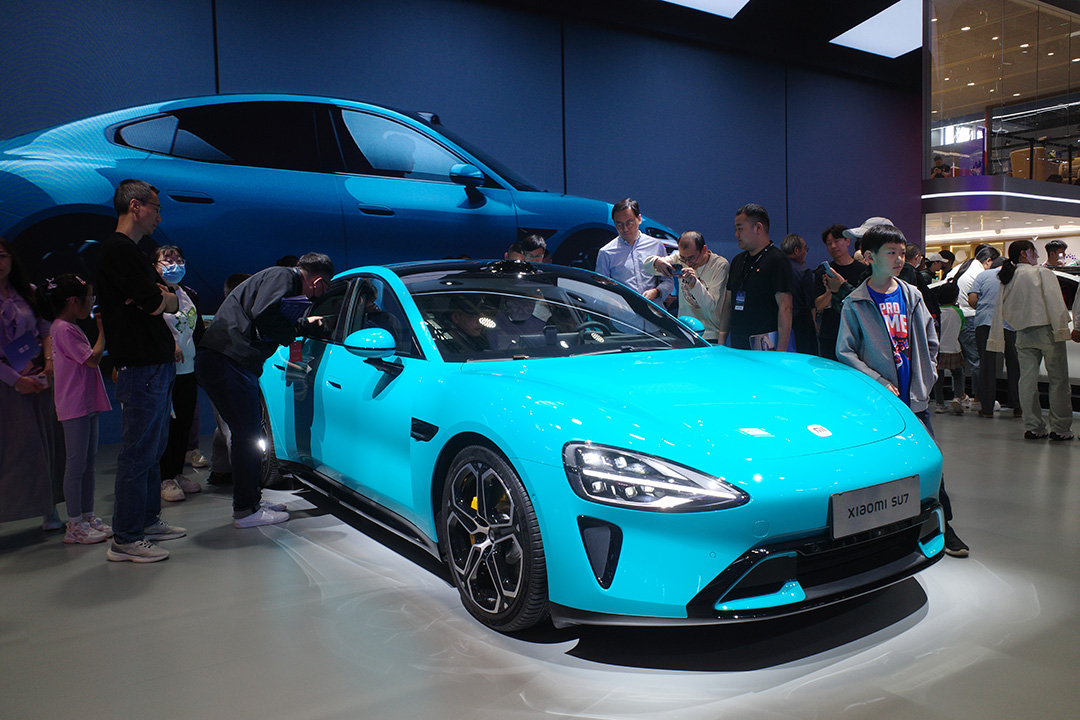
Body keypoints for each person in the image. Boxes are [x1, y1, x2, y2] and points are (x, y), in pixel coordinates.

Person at [835, 223, 968, 557]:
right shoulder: (856, 302)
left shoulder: (911, 294)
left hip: (916, 398)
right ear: (869, 258)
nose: (899, 259)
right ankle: (878, 532)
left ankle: (944, 525)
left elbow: (930, 338)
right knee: (878, 466)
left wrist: (928, 374)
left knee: (930, 462)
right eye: (890, 253)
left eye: (901, 252)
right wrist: (878, 383)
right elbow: (845, 352)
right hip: (879, 403)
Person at [195, 252, 335, 528]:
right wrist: (298, 327)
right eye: (326, 287)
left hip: (227, 361)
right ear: (318, 282)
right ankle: (246, 510)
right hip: (228, 360)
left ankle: (251, 500)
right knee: (248, 436)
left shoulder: (278, 278)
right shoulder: (284, 276)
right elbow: (264, 313)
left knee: (248, 433)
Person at [97, 179, 185, 563]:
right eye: (156, 208)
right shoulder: (120, 251)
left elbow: (154, 299)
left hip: (153, 362)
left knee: (151, 448)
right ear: (136, 206)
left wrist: (157, 298)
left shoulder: (131, 252)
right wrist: (160, 298)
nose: (159, 217)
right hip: (141, 364)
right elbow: (157, 301)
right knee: (138, 453)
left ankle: (146, 521)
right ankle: (126, 537)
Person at [0, 237, 64, 531]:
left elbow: (45, 328)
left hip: (39, 378)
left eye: (2, 255)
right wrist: (15, 380)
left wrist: (49, 363)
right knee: (13, 449)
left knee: (46, 442)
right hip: (7, 385)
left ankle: (48, 507)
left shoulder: (28, 293)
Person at [47, 274, 113, 544]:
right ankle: (74, 524)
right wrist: (103, 331)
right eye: (89, 299)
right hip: (74, 405)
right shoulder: (63, 328)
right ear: (74, 301)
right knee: (76, 465)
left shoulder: (68, 327)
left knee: (87, 464)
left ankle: (87, 516)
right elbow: (92, 359)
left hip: (85, 403)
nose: (91, 304)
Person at [988, 240, 1072, 441]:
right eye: (1034, 252)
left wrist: (996, 338)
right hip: (1048, 331)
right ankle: (1060, 427)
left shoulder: (1008, 277)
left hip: (1022, 333)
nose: (1037, 255)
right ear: (1025, 253)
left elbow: (1000, 310)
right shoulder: (1042, 273)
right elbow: (1055, 303)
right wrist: (1062, 329)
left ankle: (1033, 426)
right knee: (1058, 381)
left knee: (1026, 381)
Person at [153, 245, 205, 502]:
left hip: (189, 368)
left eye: (178, 259)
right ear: (156, 265)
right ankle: (165, 478)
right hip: (164, 368)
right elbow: (150, 326)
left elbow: (197, 329)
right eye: (167, 259)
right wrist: (167, 345)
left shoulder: (189, 295)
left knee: (184, 422)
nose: (174, 264)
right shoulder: (153, 294)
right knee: (167, 425)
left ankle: (177, 472)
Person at [719, 204, 793, 351]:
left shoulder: (777, 261)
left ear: (758, 228)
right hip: (737, 344)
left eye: (740, 229)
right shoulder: (737, 261)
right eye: (736, 229)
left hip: (764, 345)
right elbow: (727, 303)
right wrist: (721, 341)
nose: (736, 234)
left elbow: (785, 308)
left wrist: (781, 353)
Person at [207, 272, 251, 487]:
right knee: (237, 430)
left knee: (224, 423)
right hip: (227, 373)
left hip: (215, 373)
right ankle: (248, 490)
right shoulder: (235, 319)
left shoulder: (225, 316)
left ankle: (221, 470)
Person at [645, 231, 729, 342]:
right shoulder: (679, 259)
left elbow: (711, 305)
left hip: (709, 334)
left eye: (692, 258)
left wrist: (694, 283)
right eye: (683, 258)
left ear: (704, 250)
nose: (688, 263)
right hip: (684, 331)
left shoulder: (720, 265)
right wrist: (656, 262)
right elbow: (647, 267)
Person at [946, 244, 1001, 410]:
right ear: (989, 260)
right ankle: (979, 399)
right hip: (970, 318)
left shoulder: (961, 268)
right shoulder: (981, 273)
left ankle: (961, 395)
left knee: (960, 361)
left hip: (956, 317)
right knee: (977, 360)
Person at [969, 257, 1020, 418]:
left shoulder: (983, 275)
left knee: (987, 366)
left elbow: (972, 300)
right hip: (1010, 324)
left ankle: (987, 408)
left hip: (985, 323)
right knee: (1014, 364)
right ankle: (1018, 406)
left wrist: (986, 306)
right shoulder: (1015, 276)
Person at [595, 198, 673, 302]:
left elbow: (668, 281)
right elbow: (599, 289)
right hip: (623, 314)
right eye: (619, 224)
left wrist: (656, 292)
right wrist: (611, 301)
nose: (625, 229)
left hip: (653, 311)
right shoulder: (606, 252)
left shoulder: (656, 245)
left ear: (639, 219)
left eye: (629, 223)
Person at [814, 224, 867, 360]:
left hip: (856, 331)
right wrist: (832, 290)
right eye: (829, 243)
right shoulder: (823, 271)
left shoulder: (862, 270)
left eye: (837, 241)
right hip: (831, 332)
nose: (833, 246)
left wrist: (843, 286)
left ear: (847, 241)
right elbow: (819, 306)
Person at [932, 282, 968, 415]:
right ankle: (958, 397)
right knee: (958, 374)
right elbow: (961, 326)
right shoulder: (958, 312)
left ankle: (939, 404)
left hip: (939, 350)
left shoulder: (936, 313)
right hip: (954, 348)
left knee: (939, 377)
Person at [779, 233, 817, 354]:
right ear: (797, 250)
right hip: (802, 324)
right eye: (805, 248)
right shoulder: (804, 272)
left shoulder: (774, 269)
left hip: (778, 322)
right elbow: (811, 303)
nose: (806, 252)